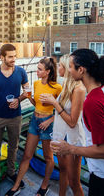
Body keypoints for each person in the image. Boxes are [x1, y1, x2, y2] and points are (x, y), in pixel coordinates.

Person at [51, 49, 104, 196]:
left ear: (81, 70)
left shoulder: (92, 102)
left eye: (70, 66)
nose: (68, 70)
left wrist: (70, 149)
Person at [5, 57, 62, 196]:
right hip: (34, 121)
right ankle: (16, 186)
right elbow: (36, 105)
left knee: (49, 157)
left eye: (39, 69)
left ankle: (44, 185)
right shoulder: (36, 84)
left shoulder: (57, 88)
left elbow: (62, 109)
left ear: (47, 72)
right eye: (37, 68)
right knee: (26, 155)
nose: (36, 71)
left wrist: (49, 121)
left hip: (47, 123)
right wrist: (28, 95)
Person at [39, 54, 86, 196]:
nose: (57, 67)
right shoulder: (66, 84)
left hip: (71, 139)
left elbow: (72, 122)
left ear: (67, 68)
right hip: (60, 135)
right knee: (63, 170)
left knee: (74, 183)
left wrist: (54, 103)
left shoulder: (79, 89)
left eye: (60, 65)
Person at [0, 44, 29, 196]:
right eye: (10, 57)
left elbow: (27, 91)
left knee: (14, 147)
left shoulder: (21, 72)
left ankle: (11, 173)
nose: (14, 59)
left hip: (15, 117)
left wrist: (18, 99)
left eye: (15, 56)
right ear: (2, 57)